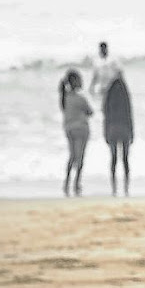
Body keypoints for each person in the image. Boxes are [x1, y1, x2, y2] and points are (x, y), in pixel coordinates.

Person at [60, 69, 93, 197]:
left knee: (72, 156)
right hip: (81, 129)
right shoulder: (81, 99)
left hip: (68, 128)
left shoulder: (64, 98)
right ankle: (76, 183)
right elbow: (90, 112)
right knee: (80, 158)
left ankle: (67, 182)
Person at [103, 74, 134, 196]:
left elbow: (106, 116)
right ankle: (126, 186)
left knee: (114, 159)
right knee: (125, 159)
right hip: (125, 129)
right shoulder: (125, 97)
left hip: (112, 129)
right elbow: (129, 115)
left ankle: (114, 186)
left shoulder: (109, 98)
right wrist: (132, 132)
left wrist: (105, 132)